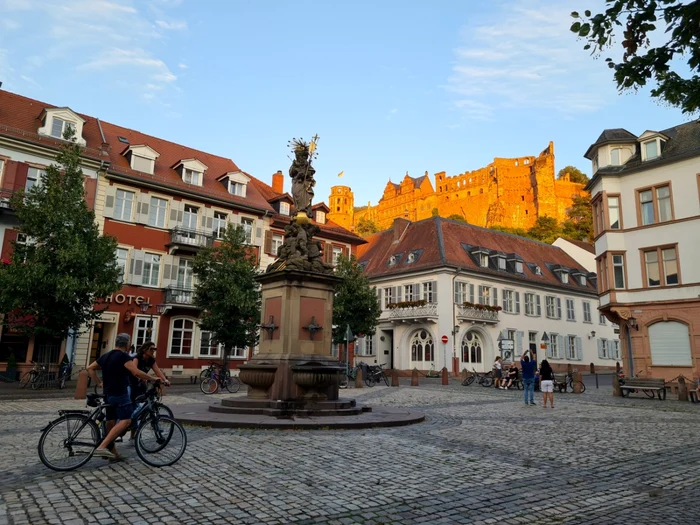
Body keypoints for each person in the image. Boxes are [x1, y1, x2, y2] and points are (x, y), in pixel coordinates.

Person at [86, 333, 155, 460]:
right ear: (127, 344)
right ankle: (102, 447)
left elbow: (90, 368)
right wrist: (153, 378)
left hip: (108, 394)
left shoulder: (107, 355)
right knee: (126, 421)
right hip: (120, 394)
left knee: (111, 421)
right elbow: (136, 371)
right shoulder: (123, 356)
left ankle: (113, 453)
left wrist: (99, 383)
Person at [128, 341, 169, 441]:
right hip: (131, 385)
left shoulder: (151, 360)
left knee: (142, 409)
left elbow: (157, 371)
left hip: (141, 386)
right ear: (144, 349)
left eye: (155, 349)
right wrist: (147, 378)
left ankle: (134, 435)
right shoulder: (137, 357)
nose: (153, 351)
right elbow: (134, 372)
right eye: (151, 349)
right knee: (133, 407)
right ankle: (129, 429)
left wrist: (165, 380)